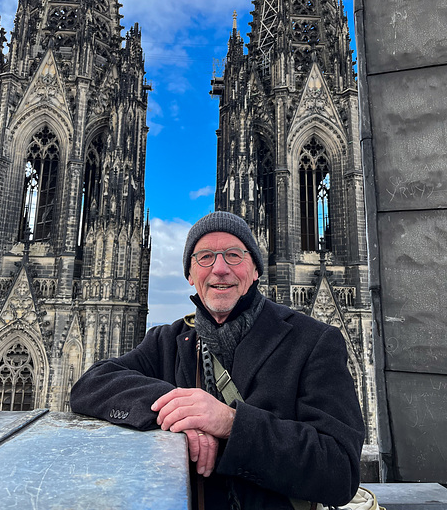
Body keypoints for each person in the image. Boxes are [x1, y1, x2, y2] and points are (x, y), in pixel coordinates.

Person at [70, 211, 365, 510]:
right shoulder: (167, 341)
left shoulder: (312, 341)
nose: (220, 269)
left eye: (234, 255)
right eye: (205, 257)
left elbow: (340, 471)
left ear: (255, 270)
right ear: (190, 275)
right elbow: (91, 385)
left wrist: (230, 423)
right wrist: (182, 410)